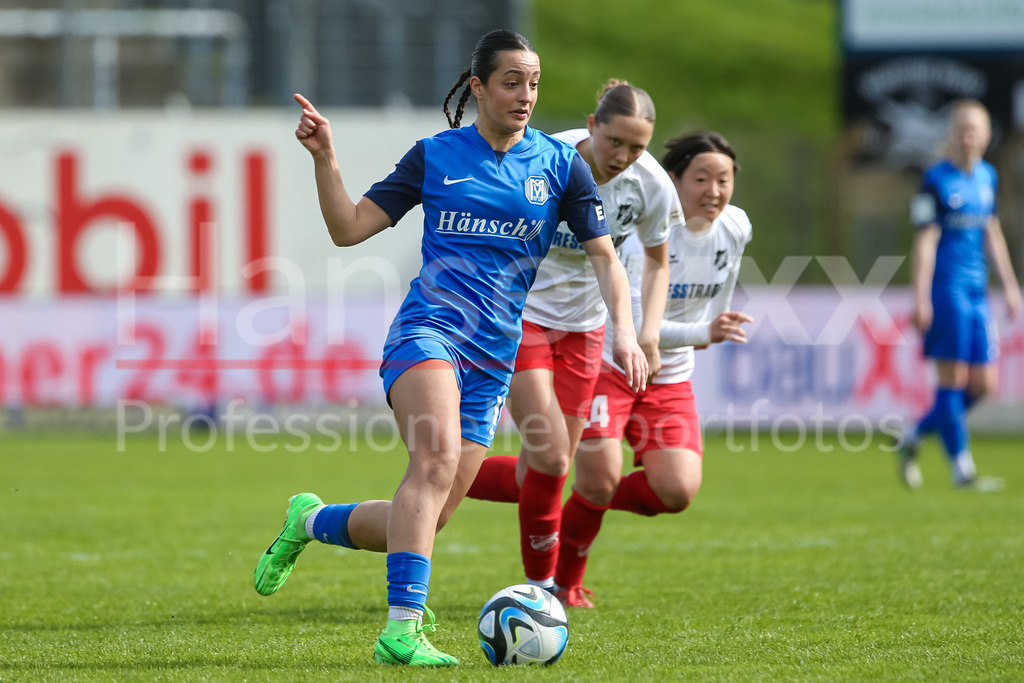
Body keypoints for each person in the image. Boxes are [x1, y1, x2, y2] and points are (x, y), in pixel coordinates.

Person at [251, 30, 648, 668]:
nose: (525, 94)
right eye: (512, 81)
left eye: (534, 82)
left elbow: (607, 256)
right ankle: (401, 630)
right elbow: (349, 228)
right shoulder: (435, 155)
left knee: (426, 521)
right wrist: (325, 158)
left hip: (495, 356)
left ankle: (310, 521)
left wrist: (624, 332)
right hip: (428, 333)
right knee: (431, 466)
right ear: (479, 88)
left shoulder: (559, 164)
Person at [465, 80, 676, 602]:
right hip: (522, 318)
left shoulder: (651, 187)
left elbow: (656, 261)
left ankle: (445, 470)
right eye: (615, 143)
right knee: (554, 458)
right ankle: (543, 590)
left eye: (638, 147)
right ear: (591, 125)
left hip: (585, 329)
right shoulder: (543, 160)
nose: (624, 157)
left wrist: (643, 332)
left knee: (539, 469)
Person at [554, 131, 754, 607]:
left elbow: (716, 302)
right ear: (673, 181)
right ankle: (563, 583)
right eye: (701, 178)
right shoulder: (648, 234)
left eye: (723, 179)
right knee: (597, 477)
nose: (714, 191)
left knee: (676, 489)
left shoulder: (736, 226)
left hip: (669, 375)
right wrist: (706, 333)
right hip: (611, 363)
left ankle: (575, 502)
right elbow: (642, 328)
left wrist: (711, 326)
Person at [898, 99, 1021, 491]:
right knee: (951, 380)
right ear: (952, 134)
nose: (969, 137)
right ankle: (962, 471)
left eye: (976, 130)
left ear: (987, 135)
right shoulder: (935, 180)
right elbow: (925, 241)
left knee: (982, 385)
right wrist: (921, 297)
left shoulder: (987, 176)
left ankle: (915, 435)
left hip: (977, 289)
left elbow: (992, 231)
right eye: (962, 129)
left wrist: (1010, 284)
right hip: (946, 288)